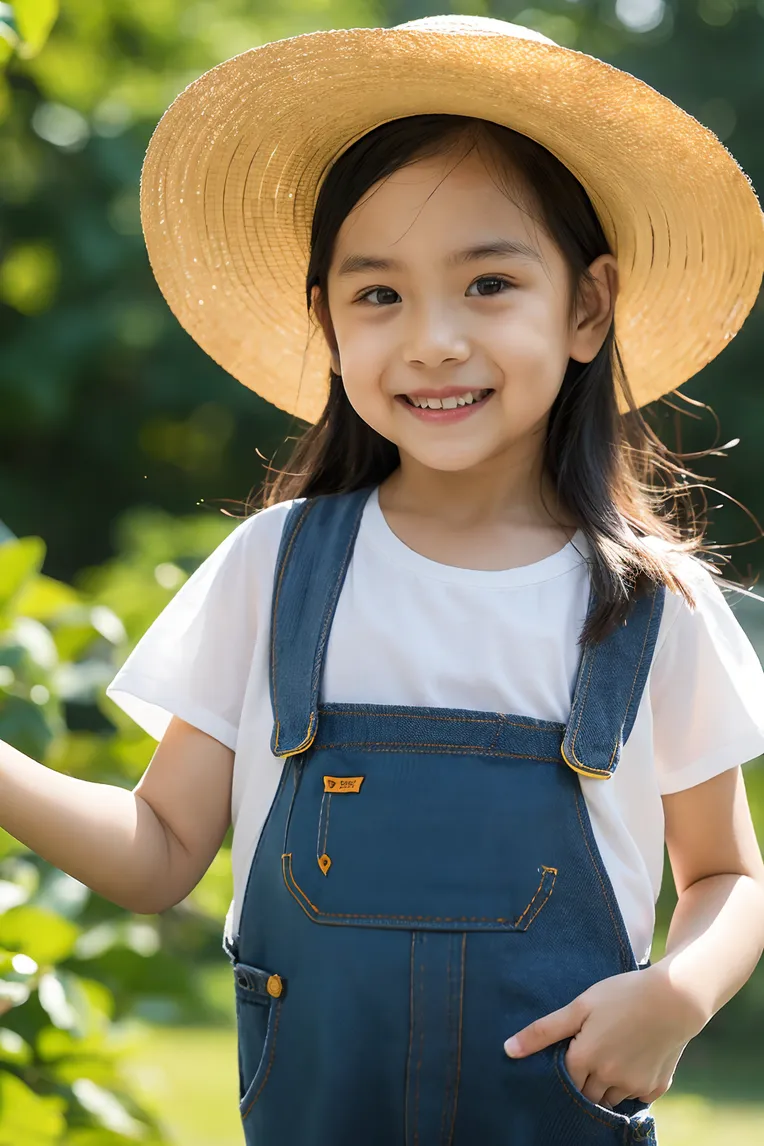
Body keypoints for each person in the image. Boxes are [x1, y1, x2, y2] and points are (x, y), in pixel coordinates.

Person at [3, 14, 764, 1145]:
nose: (433, 341)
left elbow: (728, 878)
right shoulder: (274, 569)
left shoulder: (647, 603)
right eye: (378, 295)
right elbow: (159, 851)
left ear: (586, 307)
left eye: (489, 283)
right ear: (327, 320)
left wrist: (676, 995)